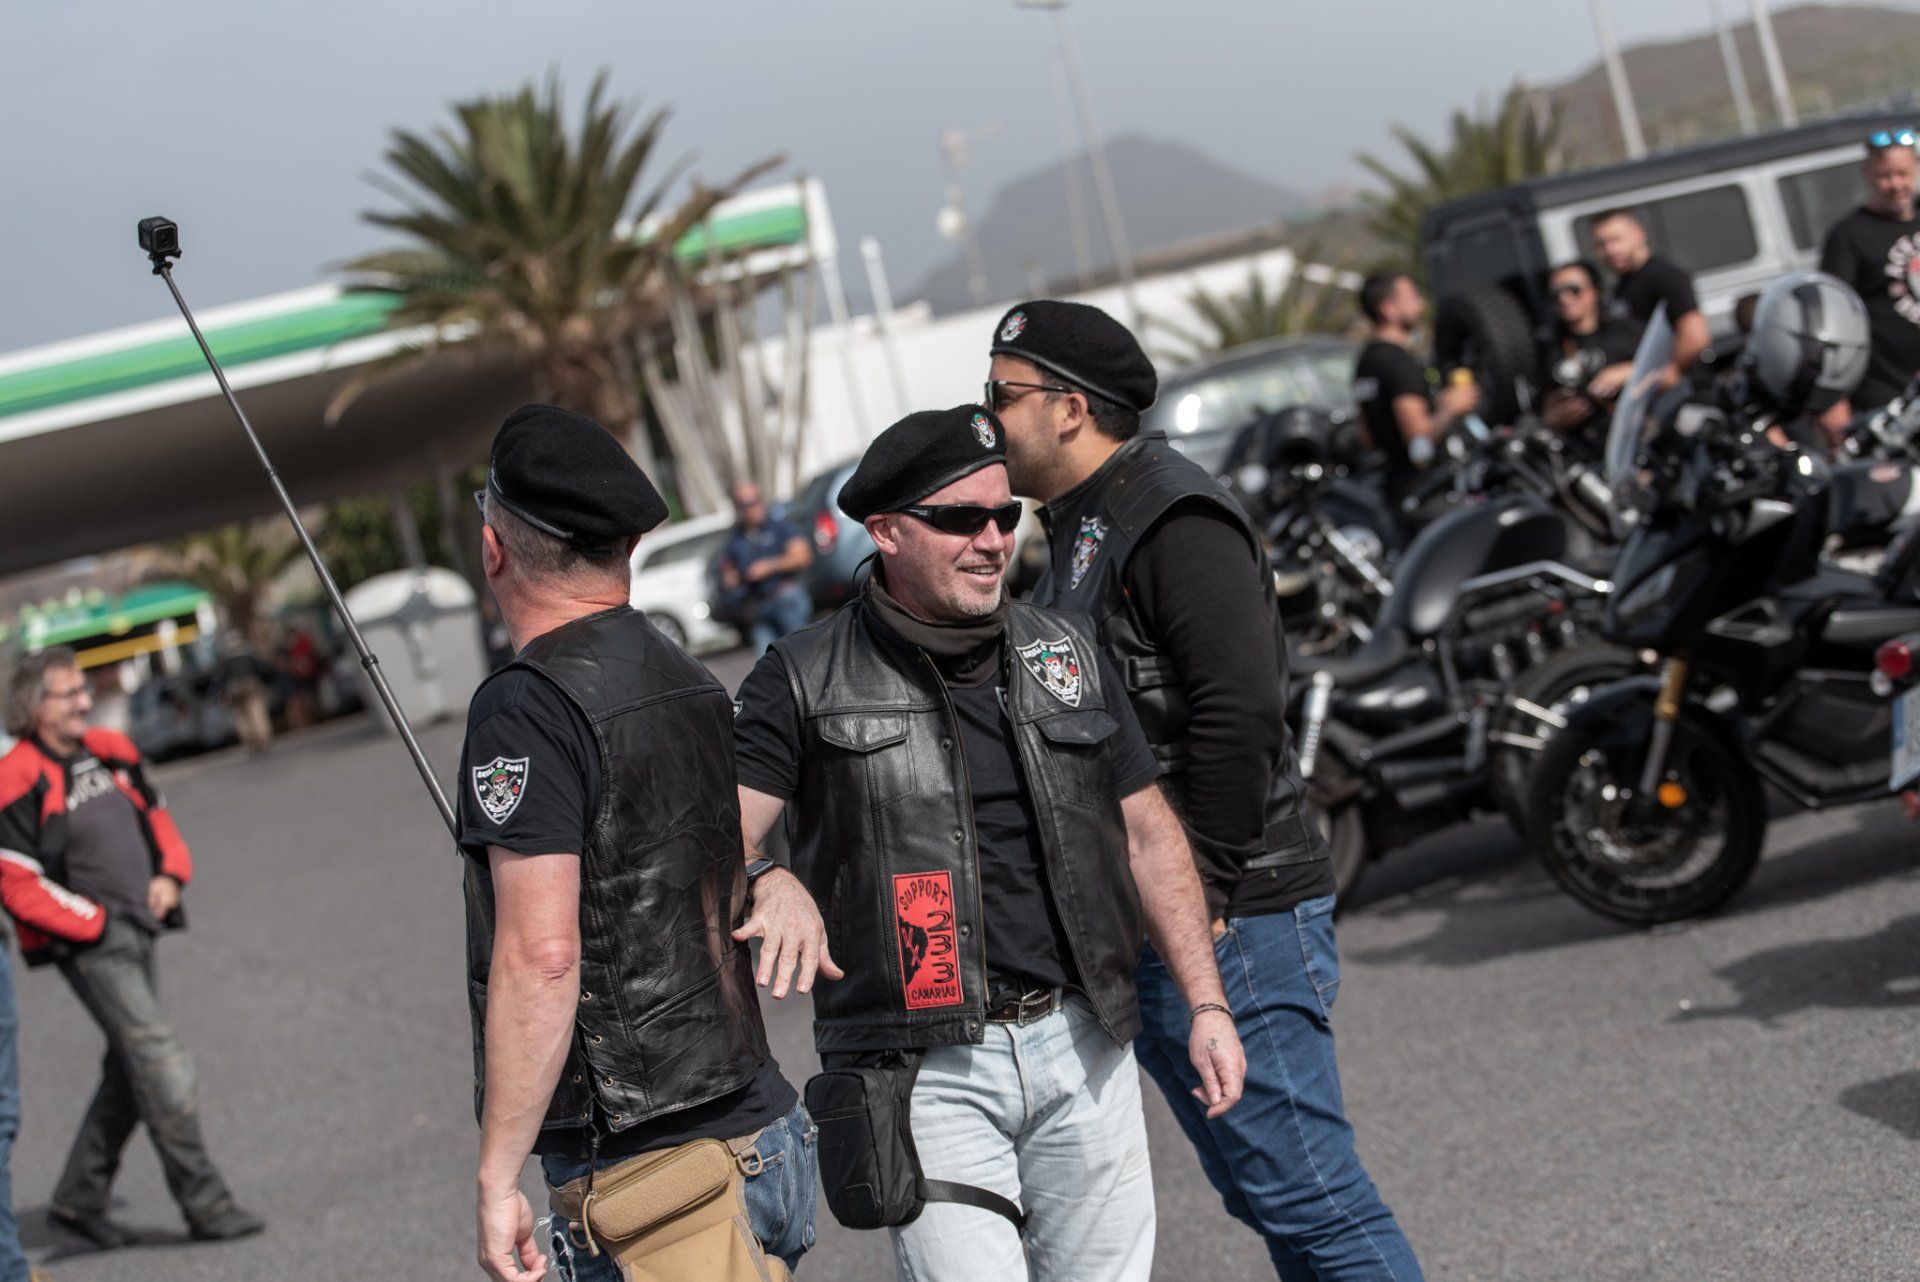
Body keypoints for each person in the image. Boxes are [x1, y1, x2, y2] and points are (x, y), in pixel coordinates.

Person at [731, 405, 1245, 1282]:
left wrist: (1207, 1003)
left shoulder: (1068, 650)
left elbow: (1150, 835)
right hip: (925, 1073)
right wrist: (764, 875)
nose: (992, 539)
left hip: (1083, 1046)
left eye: (1005, 514)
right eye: (960, 519)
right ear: (886, 531)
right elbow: (714, 837)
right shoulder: (804, 674)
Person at [990, 299, 1425, 1281]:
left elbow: (1240, 717)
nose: (989, 419)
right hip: (1175, 918)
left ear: (1069, 408)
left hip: (1238, 916)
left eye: (1003, 396)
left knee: (1314, 1194)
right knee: (1271, 1193)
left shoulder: (1171, 516)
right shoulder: (1086, 522)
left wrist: (1210, 897)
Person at [460, 405, 823, 1282]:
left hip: (655, 1174)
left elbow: (543, 956)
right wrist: (771, 874)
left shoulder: (524, 704)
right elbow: (693, 852)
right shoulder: (689, 673)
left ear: (494, 548)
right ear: (626, 550)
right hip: (764, 1134)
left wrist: (496, 1173)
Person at [0, 649, 263, 1249]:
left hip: (142, 923)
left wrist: (170, 873)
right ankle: (207, 1204)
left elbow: (157, 813)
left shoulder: (109, 750)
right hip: (92, 943)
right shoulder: (14, 776)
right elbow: (13, 877)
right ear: (32, 706)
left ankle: (76, 1202)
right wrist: (91, 922)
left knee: (130, 1064)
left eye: (82, 691)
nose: (85, 702)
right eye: (69, 694)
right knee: (161, 1061)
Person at [1818, 129, 1920, 430]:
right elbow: (1832, 319)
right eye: (1885, 176)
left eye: (1903, 173)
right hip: (1889, 393)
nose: (1896, 185)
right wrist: (1833, 399)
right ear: (1867, 174)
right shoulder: (1849, 235)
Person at [1352, 273, 1480, 511]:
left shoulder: (1366, 361)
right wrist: (1451, 408)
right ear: (1389, 309)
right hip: (1428, 494)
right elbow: (1418, 442)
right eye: (1412, 298)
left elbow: (1367, 438)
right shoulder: (1399, 363)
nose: (1420, 305)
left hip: (1395, 492)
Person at [1591, 208, 1710, 384]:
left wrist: (1664, 373)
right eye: (1601, 244)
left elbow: (1695, 337)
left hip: (1683, 391)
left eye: (1616, 240)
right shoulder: (1622, 284)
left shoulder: (1664, 276)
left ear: (1639, 234)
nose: (1610, 250)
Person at [1538, 260, 1644, 456]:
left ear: (1595, 291)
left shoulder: (1626, 332)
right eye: (1555, 294)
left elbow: (1669, 373)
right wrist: (1554, 419)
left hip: (1635, 442)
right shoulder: (1547, 350)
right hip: (1585, 456)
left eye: (1574, 289)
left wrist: (1631, 371)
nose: (1564, 298)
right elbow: (1540, 411)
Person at [717, 482, 814, 656]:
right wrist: (730, 577)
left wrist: (770, 566)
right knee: (766, 662)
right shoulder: (737, 537)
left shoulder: (779, 526)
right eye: (744, 505)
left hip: (785, 599)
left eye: (754, 502)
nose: (750, 508)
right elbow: (728, 566)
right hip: (757, 606)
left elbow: (803, 556)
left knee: (802, 656)